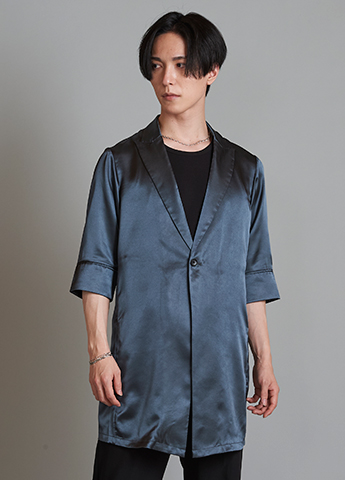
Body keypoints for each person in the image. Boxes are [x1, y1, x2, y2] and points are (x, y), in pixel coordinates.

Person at [70, 11, 280, 480]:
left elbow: (254, 275)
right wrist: (99, 353)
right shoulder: (120, 165)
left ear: (211, 71)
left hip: (218, 379)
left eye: (182, 66)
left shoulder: (246, 172)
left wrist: (264, 361)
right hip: (139, 375)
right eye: (157, 65)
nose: (167, 79)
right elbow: (97, 267)